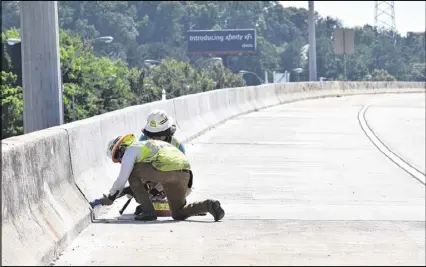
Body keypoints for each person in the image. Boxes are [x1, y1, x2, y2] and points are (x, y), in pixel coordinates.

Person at [99, 133, 225, 221]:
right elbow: (148, 180)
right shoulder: (148, 147)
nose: (121, 160)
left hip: (166, 169)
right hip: (184, 173)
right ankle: (208, 205)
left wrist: (110, 197)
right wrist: (127, 190)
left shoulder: (131, 150)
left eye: (118, 156)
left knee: (131, 173)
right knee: (178, 213)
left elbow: (122, 178)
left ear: (122, 147)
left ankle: (148, 212)